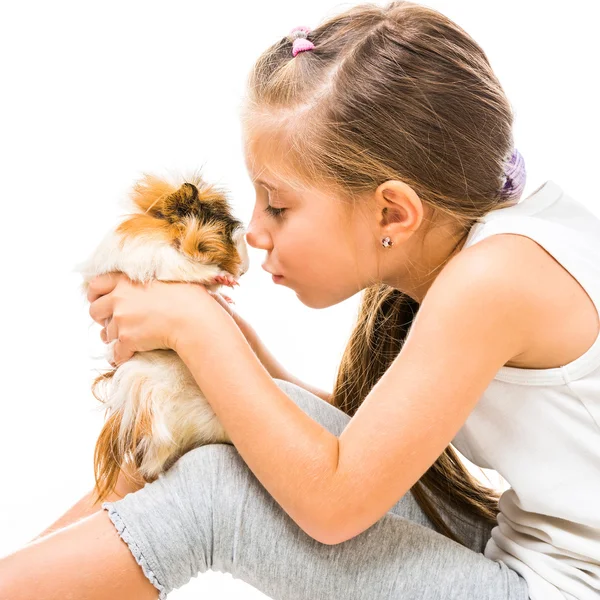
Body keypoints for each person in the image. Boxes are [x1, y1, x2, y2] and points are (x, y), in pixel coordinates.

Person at [1, 2, 598, 599]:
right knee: (214, 411)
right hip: (520, 551)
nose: (254, 231)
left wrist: (197, 329)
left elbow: (335, 503)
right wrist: (231, 348)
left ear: (392, 211)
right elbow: (366, 453)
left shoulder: (494, 279)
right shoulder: (495, 244)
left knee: (215, 498)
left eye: (278, 205)